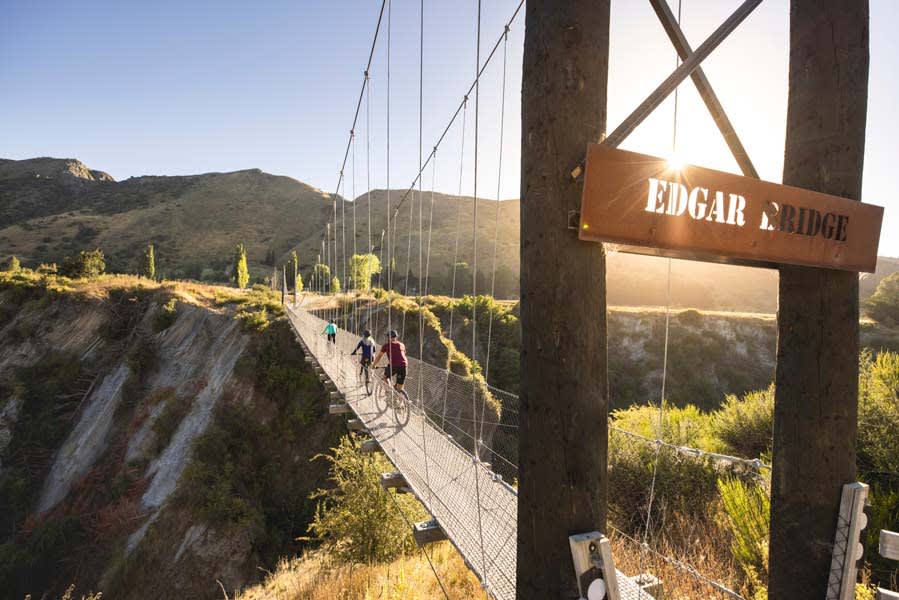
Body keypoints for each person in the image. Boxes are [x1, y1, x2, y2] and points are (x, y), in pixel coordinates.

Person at [372, 329, 408, 395]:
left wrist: (374, 365)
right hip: (404, 365)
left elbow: (379, 356)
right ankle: (401, 402)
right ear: (396, 337)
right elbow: (403, 354)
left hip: (394, 365)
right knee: (399, 389)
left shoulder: (386, 345)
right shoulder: (402, 345)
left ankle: (389, 392)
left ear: (389, 337)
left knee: (385, 377)